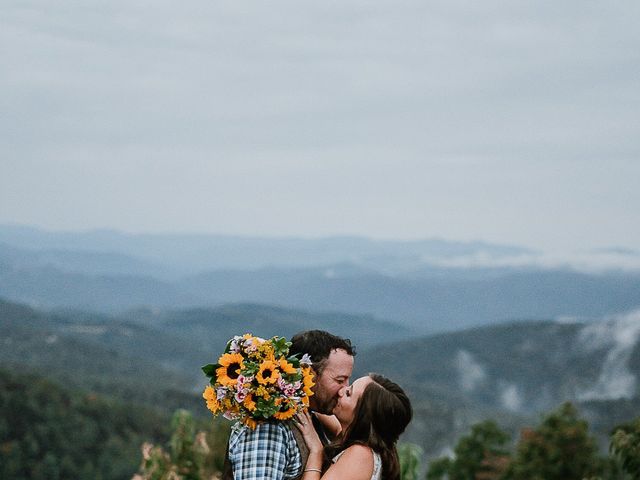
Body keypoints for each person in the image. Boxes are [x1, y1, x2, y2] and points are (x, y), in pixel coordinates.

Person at [223, 330, 356, 480]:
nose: (344, 389)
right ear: (309, 373)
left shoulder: (311, 417)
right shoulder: (269, 429)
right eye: (339, 380)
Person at [294, 373, 412, 480]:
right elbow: (323, 408)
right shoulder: (350, 435)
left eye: (348, 393)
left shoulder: (360, 455)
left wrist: (316, 452)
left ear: (363, 416)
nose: (340, 391)